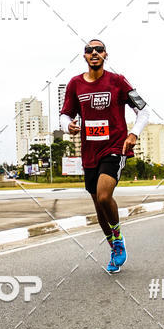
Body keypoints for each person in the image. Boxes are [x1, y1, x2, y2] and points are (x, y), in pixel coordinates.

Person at [59, 40, 150, 273]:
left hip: (114, 147)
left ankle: (118, 238)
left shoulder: (117, 81)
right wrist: (67, 125)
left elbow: (143, 110)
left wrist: (133, 135)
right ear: (85, 56)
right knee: (98, 206)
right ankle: (113, 247)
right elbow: (65, 115)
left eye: (99, 49)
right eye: (90, 50)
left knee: (103, 195)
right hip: (90, 152)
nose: (94, 53)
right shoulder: (75, 84)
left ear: (105, 55)